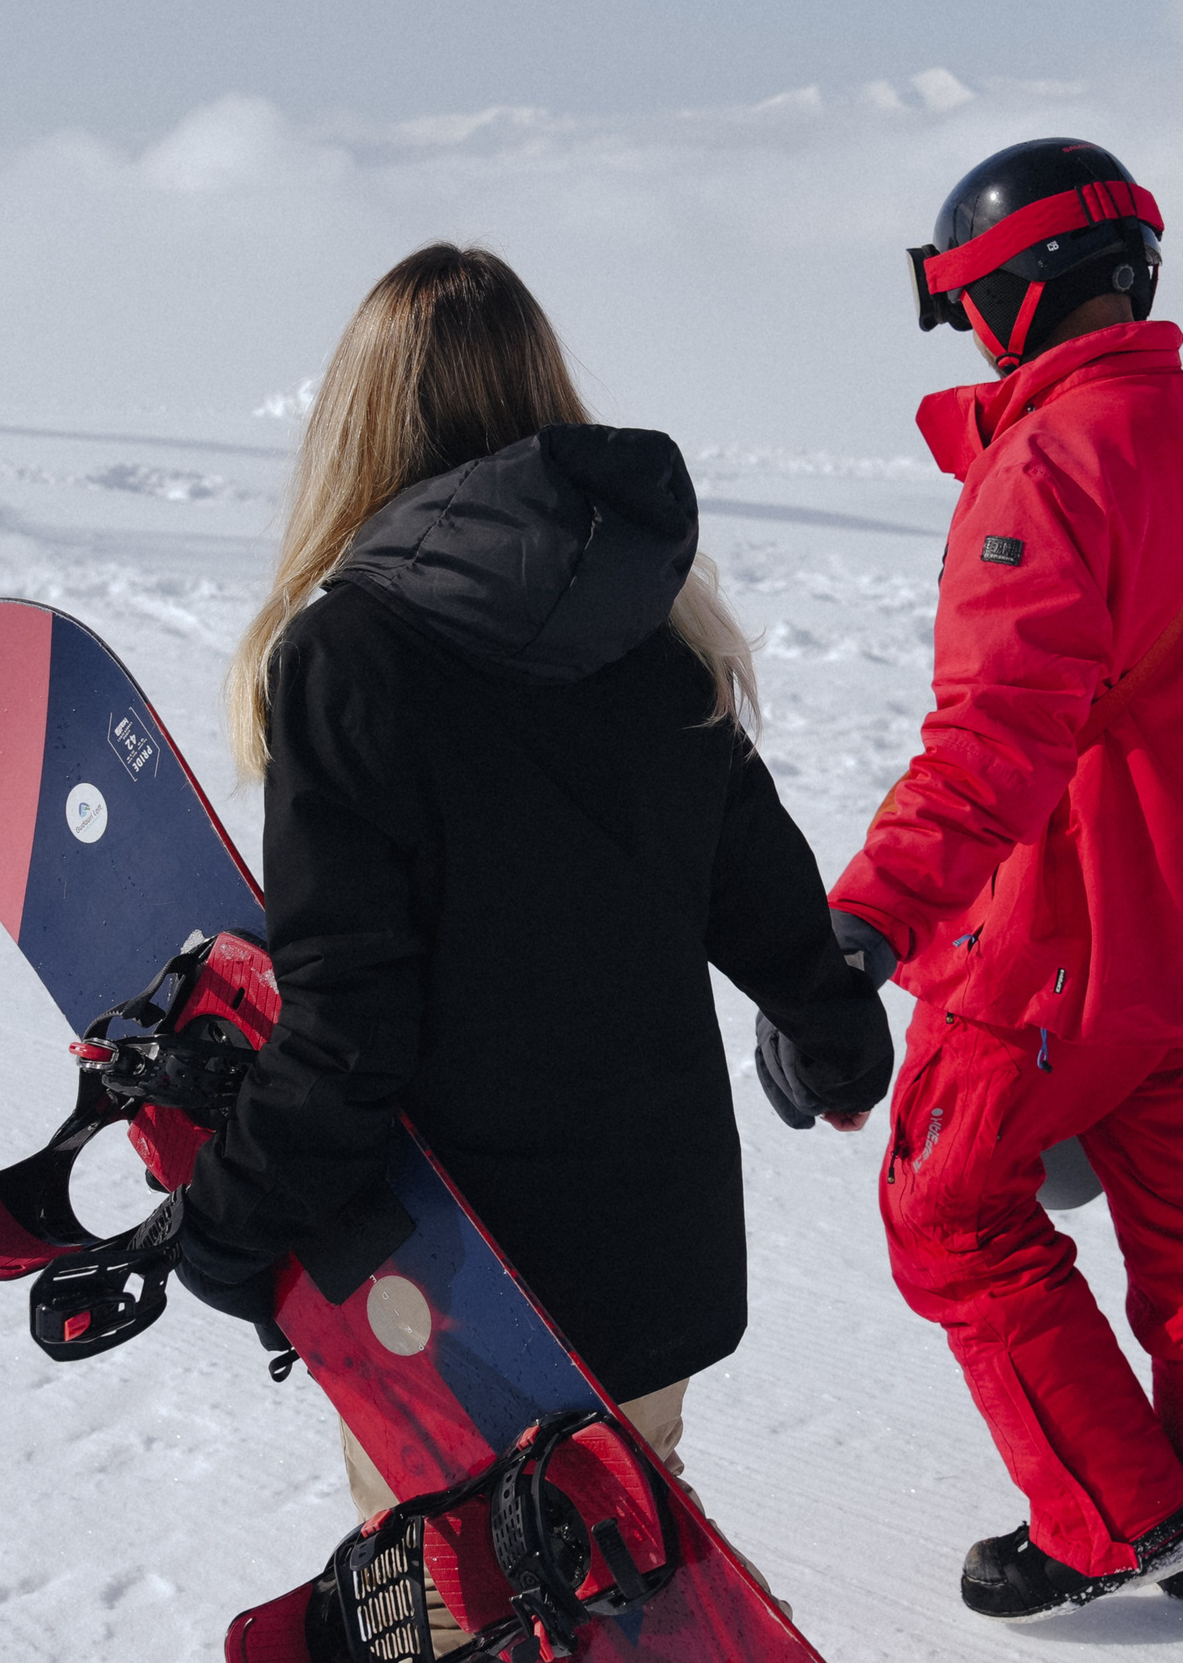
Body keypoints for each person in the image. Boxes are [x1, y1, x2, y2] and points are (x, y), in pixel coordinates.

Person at [173, 244, 893, 1647]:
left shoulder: (351, 658)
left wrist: (230, 1220)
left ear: (357, 424)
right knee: (623, 1585)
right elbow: (765, 896)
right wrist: (838, 1038)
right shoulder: (658, 639)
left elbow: (348, 1030)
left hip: (455, 1276)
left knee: (471, 1604)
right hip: (654, 1251)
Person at [755, 139, 1183, 1635]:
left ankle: (1112, 1517)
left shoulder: (1050, 463)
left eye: (963, 304)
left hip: (1069, 952)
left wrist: (863, 923)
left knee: (946, 1209)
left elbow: (994, 740)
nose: (967, 333)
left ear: (1011, 294)